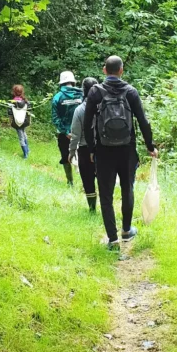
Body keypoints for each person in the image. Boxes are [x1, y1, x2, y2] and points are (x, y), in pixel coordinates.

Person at [84, 55, 157, 250]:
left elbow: (87, 124)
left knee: (106, 194)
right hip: (127, 150)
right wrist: (150, 146)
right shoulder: (130, 92)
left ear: (104, 70)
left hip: (103, 150)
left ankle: (112, 239)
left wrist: (91, 149)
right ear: (121, 70)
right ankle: (126, 230)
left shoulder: (95, 92)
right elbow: (143, 121)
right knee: (127, 188)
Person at [69, 76, 99, 211]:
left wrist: (71, 152)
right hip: (102, 148)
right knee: (104, 180)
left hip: (84, 149)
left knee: (88, 180)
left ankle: (92, 208)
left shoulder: (80, 110)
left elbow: (75, 134)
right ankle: (106, 207)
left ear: (83, 90)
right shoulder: (103, 107)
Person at [52, 71, 83, 185]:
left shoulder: (57, 97)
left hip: (64, 134)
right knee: (84, 157)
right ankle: (86, 183)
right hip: (82, 133)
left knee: (66, 157)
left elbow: (55, 118)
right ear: (73, 82)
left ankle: (70, 182)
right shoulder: (82, 94)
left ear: (61, 83)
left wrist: (65, 131)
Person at [8, 84, 31, 159]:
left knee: (21, 137)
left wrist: (10, 122)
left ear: (14, 92)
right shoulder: (26, 102)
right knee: (24, 133)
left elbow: (10, 114)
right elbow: (29, 112)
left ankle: (25, 154)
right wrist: (29, 121)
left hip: (16, 122)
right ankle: (28, 149)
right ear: (22, 92)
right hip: (24, 121)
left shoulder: (12, 103)